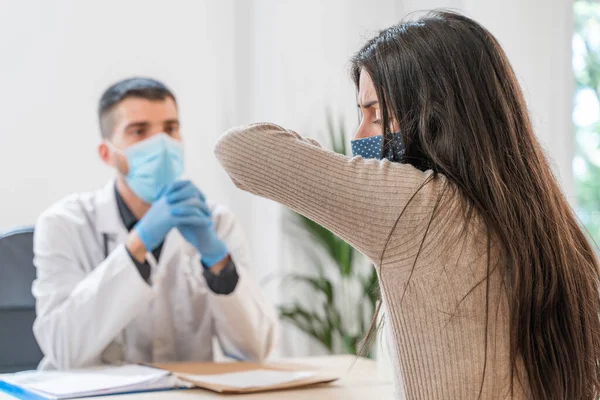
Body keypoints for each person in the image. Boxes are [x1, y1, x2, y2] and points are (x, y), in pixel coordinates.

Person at [215, 11, 600, 400]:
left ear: (435, 115)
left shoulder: (418, 204)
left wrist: (333, 167)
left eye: (377, 116)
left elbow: (238, 150)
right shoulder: (552, 223)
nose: (359, 135)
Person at [32, 77, 279, 370]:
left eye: (170, 129)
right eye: (139, 131)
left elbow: (256, 350)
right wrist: (137, 245)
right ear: (106, 153)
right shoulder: (64, 224)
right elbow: (63, 350)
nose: (161, 144)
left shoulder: (217, 222)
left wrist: (219, 264)